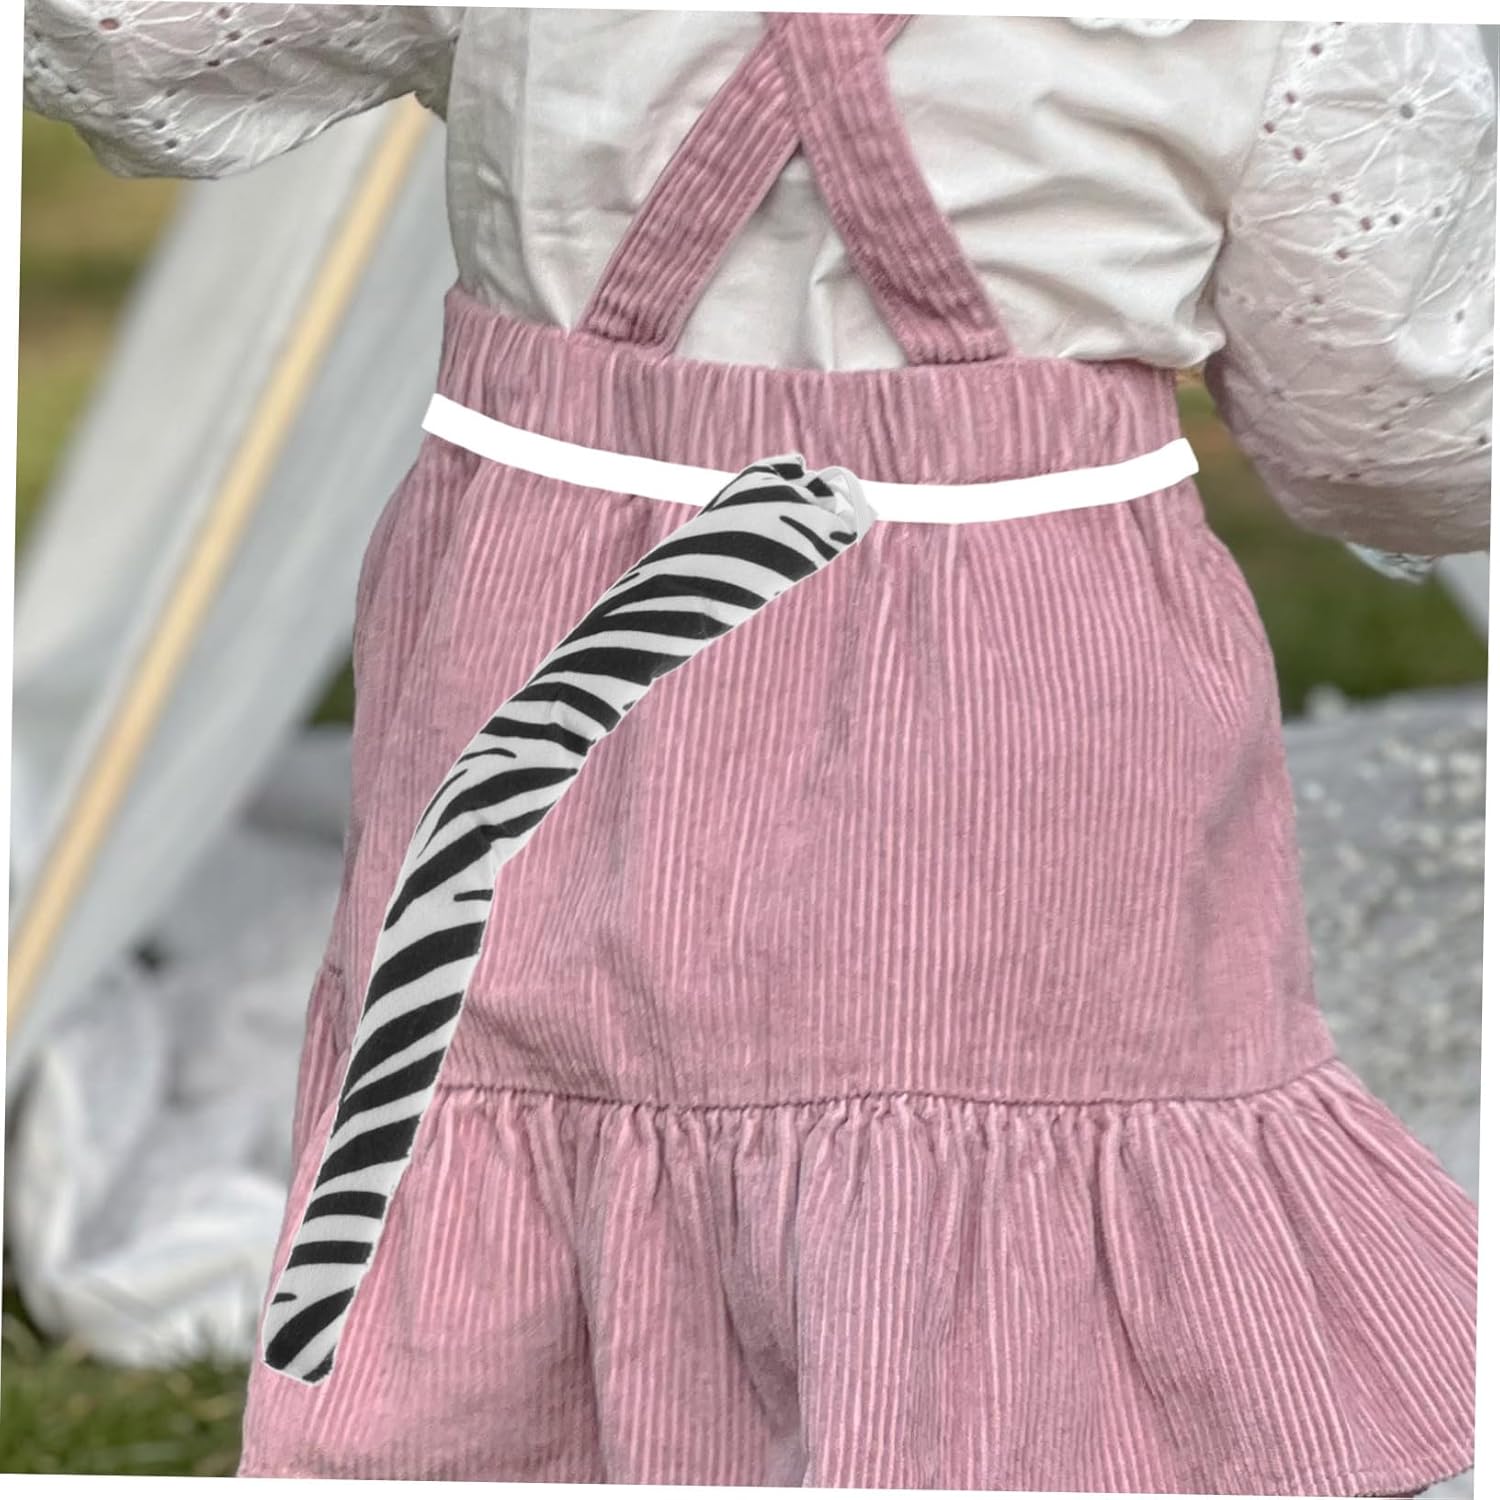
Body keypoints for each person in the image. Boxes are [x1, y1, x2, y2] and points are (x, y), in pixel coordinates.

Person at [22, 8, 1490, 1495]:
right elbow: (1395, 435)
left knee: (537, 1100)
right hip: (1027, 671)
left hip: (546, 619)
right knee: (1008, 1141)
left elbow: (138, 48)